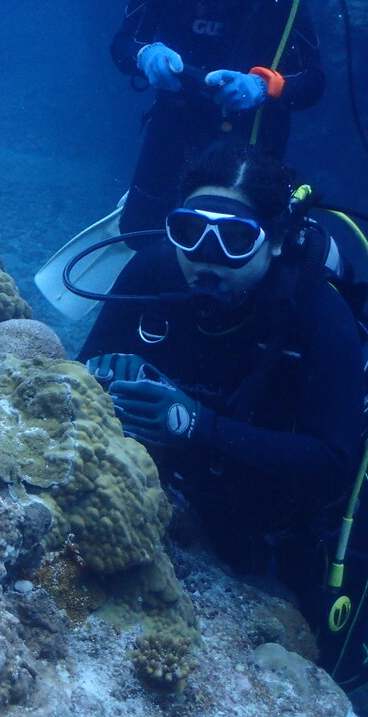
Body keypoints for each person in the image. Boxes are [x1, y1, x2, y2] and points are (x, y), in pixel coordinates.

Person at [78, 142, 368, 691]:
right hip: (173, 496)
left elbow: (332, 461)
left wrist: (197, 425)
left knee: (328, 667)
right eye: (189, 231)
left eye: (235, 239)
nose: (205, 258)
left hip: (278, 521)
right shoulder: (153, 271)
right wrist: (110, 381)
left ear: (276, 240)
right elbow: (80, 372)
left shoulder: (316, 313)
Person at [112, 0, 325, 239]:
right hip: (177, 116)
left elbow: (313, 80)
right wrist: (144, 55)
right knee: (138, 229)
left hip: (254, 129)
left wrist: (263, 86)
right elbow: (122, 44)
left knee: (247, 238)